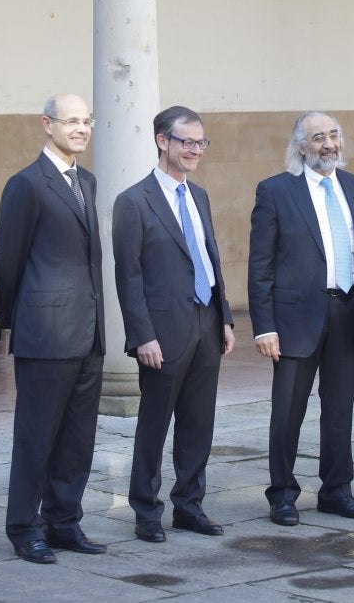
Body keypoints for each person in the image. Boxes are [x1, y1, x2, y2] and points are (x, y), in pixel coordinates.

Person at [248, 111, 354, 526]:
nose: (329, 144)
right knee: (288, 410)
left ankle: (336, 491)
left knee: (340, 408)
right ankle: (283, 495)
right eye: (318, 137)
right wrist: (265, 325)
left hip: (348, 310)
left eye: (334, 135)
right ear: (300, 146)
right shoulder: (276, 191)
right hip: (294, 319)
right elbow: (261, 267)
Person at [0, 94, 106, 564]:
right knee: (36, 437)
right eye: (71, 121)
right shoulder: (27, 184)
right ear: (47, 124)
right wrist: (19, 320)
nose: (80, 128)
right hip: (45, 332)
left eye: (86, 121)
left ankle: (64, 522)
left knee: (77, 437)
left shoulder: (89, 182)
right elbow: (7, 259)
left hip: (88, 331)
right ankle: (24, 527)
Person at [112, 105, 235, 541]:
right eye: (187, 141)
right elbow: (128, 277)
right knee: (155, 423)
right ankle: (146, 510)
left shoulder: (198, 195)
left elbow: (209, 258)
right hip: (161, 334)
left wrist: (224, 317)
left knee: (199, 422)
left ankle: (190, 506)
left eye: (201, 142)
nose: (195, 150)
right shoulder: (133, 201)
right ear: (163, 141)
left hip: (206, 323)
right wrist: (141, 334)